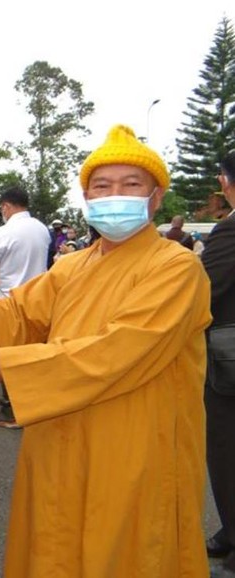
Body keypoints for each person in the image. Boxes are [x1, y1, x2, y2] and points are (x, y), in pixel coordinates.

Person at [0, 124, 211, 577]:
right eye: (102, 186)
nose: (115, 194)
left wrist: (7, 365)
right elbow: (20, 317)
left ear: (156, 199)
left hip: (133, 448)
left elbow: (120, 350)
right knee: (54, 550)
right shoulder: (73, 265)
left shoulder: (176, 269)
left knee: (124, 554)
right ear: (87, 198)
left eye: (131, 184)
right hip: (60, 436)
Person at [0, 186, 49, 428]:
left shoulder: (4, 231)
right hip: (41, 301)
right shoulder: (42, 229)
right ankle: (34, 405)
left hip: (11, 302)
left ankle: (9, 409)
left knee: (9, 356)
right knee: (34, 354)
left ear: (6, 206)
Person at [201, 150, 235, 578]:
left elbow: (199, 293)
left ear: (225, 182)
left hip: (229, 363)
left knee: (227, 453)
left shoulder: (231, 231)